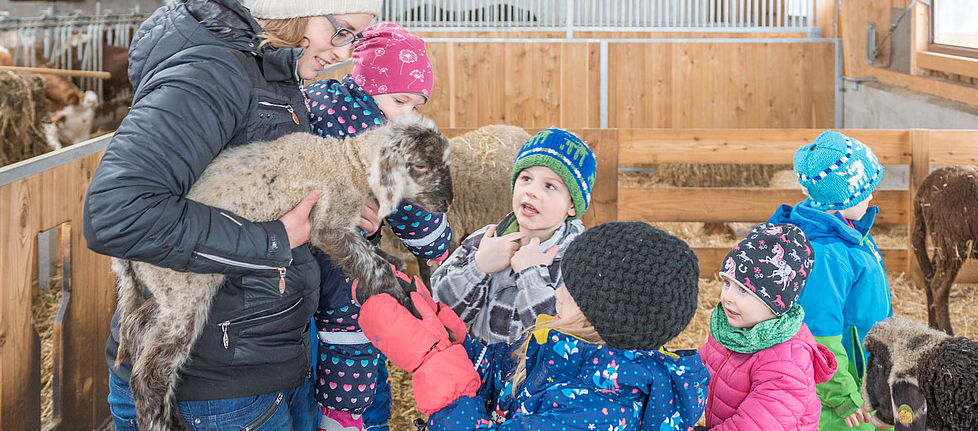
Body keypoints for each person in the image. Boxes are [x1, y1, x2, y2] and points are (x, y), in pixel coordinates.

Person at [80, 0, 387, 428]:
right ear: (297, 6)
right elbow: (118, 213)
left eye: (357, 38)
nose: (345, 51)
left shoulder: (275, 76)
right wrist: (275, 240)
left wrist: (336, 217)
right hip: (212, 388)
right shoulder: (212, 74)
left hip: (267, 360)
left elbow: (253, 194)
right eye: (341, 29)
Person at [360, 221, 709, 429]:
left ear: (597, 315)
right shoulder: (570, 353)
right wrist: (450, 335)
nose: (555, 291)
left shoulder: (595, 411)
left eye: (567, 286)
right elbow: (506, 372)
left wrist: (435, 365)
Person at [303, 22, 450, 431]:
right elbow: (412, 211)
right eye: (401, 100)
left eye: (415, 107)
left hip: (289, 255)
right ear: (367, 85)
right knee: (353, 324)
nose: (408, 114)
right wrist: (437, 245)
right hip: (338, 255)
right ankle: (343, 415)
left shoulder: (316, 96)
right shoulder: (382, 136)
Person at [766, 131, 892, 430]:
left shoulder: (844, 230)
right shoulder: (825, 255)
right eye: (866, 191)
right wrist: (844, 397)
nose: (872, 196)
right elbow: (818, 337)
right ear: (841, 199)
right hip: (840, 392)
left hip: (861, 367)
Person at [430, 128, 595, 345]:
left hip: (534, 377)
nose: (531, 191)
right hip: (481, 374)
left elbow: (560, 342)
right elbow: (441, 311)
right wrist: (477, 267)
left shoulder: (580, 262)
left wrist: (530, 275)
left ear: (572, 205)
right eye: (526, 178)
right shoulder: (486, 239)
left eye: (550, 186)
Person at [699, 223, 837, 430]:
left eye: (743, 290)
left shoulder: (787, 361)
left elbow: (756, 425)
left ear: (775, 303)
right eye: (727, 283)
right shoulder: (729, 331)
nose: (727, 297)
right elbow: (702, 366)